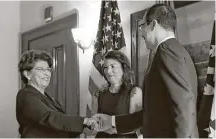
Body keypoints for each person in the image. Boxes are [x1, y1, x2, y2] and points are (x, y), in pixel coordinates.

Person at [93, 3, 199, 138]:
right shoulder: (169, 51)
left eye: (143, 26)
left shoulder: (168, 52)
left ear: (153, 25)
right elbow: (153, 113)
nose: (141, 32)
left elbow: (184, 109)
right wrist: (112, 122)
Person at [16, 50, 100, 138]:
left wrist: (84, 128)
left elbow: (60, 127)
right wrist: (84, 121)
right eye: (41, 69)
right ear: (27, 74)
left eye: (48, 69)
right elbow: (50, 118)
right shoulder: (25, 95)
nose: (47, 74)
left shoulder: (51, 99)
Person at [83, 50, 142, 138]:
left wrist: (108, 128)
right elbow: (94, 124)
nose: (108, 71)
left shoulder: (135, 92)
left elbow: (134, 127)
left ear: (123, 68)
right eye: (105, 67)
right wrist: (89, 129)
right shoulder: (98, 93)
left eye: (112, 66)